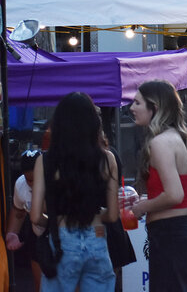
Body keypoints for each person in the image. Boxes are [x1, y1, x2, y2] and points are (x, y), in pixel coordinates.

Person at [30, 92, 119, 292]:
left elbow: (35, 216)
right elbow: (113, 215)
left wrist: (54, 219)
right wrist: (95, 215)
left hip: (61, 240)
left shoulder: (45, 161)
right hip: (96, 236)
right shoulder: (108, 159)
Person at [129, 80, 187, 291]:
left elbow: (175, 194)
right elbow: (186, 189)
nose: (131, 108)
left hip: (173, 237)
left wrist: (142, 207)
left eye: (137, 103)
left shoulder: (160, 143)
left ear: (154, 108)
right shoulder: (183, 139)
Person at [6, 150, 44, 292]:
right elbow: (18, 211)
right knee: (40, 286)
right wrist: (12, 233)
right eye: (29, 180)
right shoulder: (21, 185)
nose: (33, 184)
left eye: (36, 179)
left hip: (63, 237)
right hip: (38, 236)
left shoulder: (56, 181)